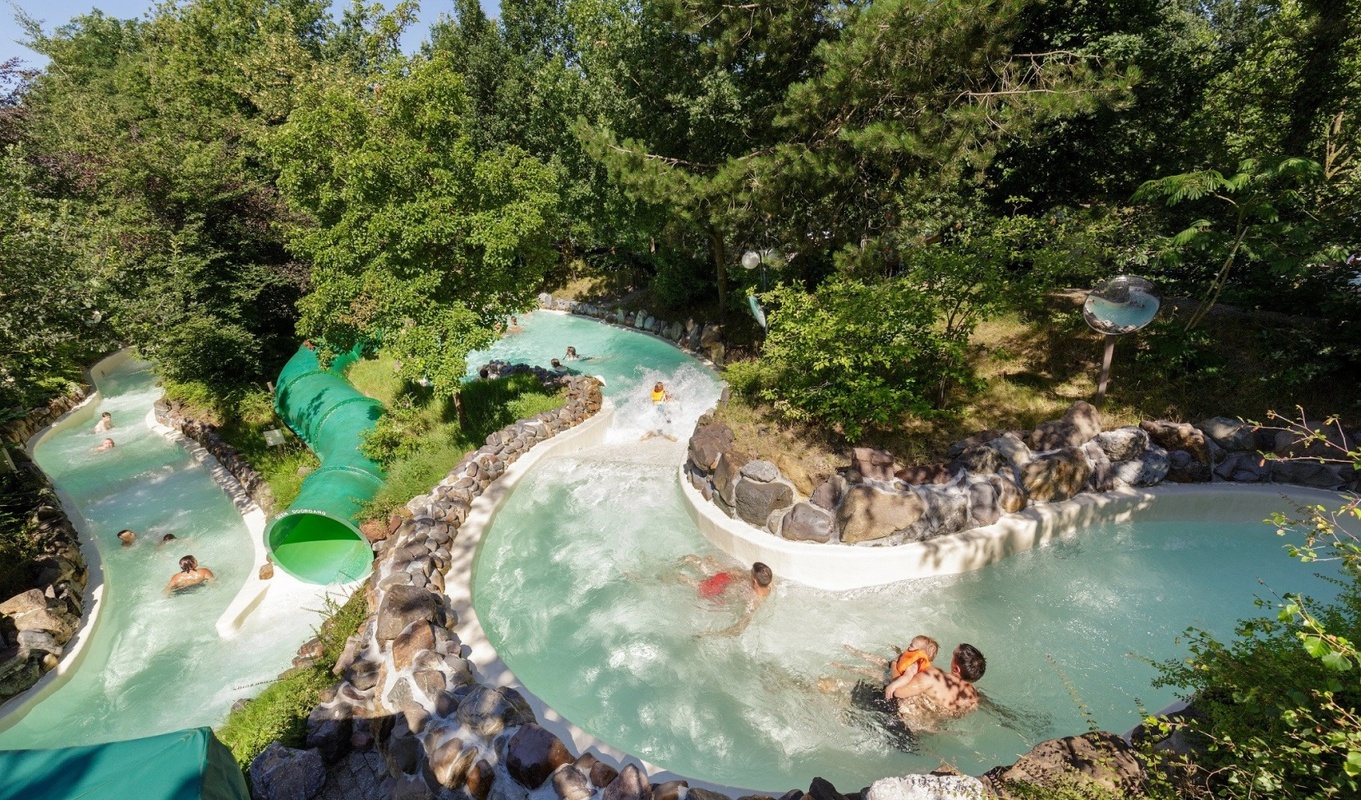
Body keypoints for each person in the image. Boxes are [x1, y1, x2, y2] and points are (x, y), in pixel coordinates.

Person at [884, 643, 987, 729]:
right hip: (919, 732)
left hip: (897, 722)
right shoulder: (974, 697)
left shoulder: (934, 675)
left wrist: (894, 663)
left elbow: (897, 691)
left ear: (956, 669)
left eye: (953, 657)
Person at [676, 556, 773, 636]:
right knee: (690, 558)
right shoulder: (768, 583)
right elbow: (737, 573)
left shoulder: (753, 602)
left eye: (751, 573)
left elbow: (738, 630)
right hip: (724, 580)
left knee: (681, 577)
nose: (748, 573)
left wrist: (708, 634)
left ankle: (664, 577)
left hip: (718, 592)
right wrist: (717, 565)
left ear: (755, 581)